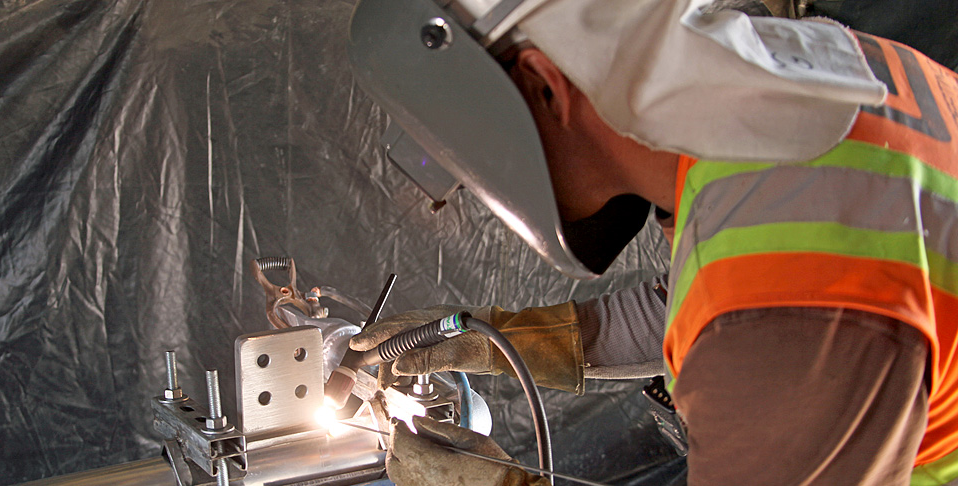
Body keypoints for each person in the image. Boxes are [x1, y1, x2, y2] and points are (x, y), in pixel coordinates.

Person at [345, 0, 958, 484]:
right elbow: (698, 304)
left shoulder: (782, 316)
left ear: (543, 86)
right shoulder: (809, 85)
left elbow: (774, 317)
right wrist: (498, 335)